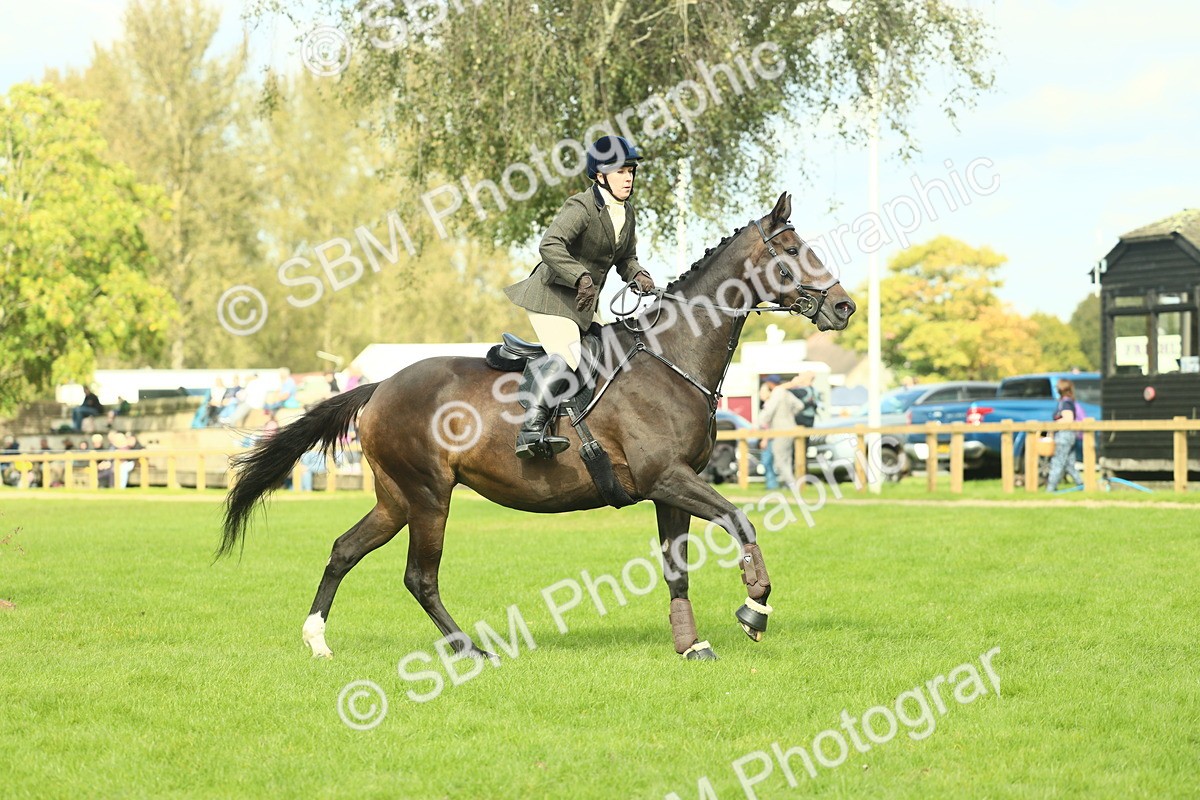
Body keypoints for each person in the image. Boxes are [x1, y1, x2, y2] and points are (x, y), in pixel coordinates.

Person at [503, 135, 655, 459]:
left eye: (631, 170)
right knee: (569, 356)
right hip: (553, 296)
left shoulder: (626, 213)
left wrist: (638, 274)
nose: (628, 177)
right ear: (600, 175)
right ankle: (529, 431)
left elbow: (625, 259)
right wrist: (581, 276)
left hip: (584, 305)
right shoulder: (581, 206)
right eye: (620, 171)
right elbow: (550, 244)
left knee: (613, 353)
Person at [759, 375, 807, 490]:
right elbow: (800, 405)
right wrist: (790, 415)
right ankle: (789, 484)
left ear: (771, 384)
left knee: (780, 460)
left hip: (780, 430)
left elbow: (769, 411)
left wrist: (759, 423)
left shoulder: (777, 392)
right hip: (791, 428)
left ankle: (792, 485)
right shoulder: (786, 393)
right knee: (787, 459)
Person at [1047, 378, 1085, 492]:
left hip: (1064, 435)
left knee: (1057, 461)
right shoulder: (1069, 402)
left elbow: (1068, 419)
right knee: (1069, 464)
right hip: (1070, 436)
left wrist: (1052, 426)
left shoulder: (1065, 403)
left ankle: (1051, 488)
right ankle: (1081, 486)